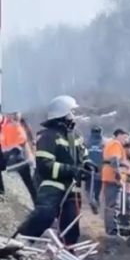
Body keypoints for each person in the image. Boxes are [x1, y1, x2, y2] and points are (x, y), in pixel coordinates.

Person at [14, 96, 92, 245]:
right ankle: (21, 242)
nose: (73, 116)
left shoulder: (76, 136)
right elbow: (44, 165)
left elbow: (83, 154)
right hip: (51, 186)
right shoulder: (48, 136)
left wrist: (88, 164)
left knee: (71, 223)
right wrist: (72, 170)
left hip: (72, 188)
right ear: (62, 114)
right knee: (44, 215)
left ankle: (68, 252)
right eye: (71, 112)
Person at [1, 113, 37, 203]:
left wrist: (30, 155)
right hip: (12, 159)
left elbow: (23, 142)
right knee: (30, 184)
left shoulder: (11, 124)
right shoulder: (10, 123)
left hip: (18, 158)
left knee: (30, 184)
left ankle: (39, 205)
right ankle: (2, 195)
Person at [101, 129, 130, 235]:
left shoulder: (111, 144)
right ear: (119, 135)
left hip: (110, 178)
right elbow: (114, 160)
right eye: (125, 137)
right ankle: (112, 230)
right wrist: (118, 175)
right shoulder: (116, 144)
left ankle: (111, 229)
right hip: (113, 179)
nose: (126, 140)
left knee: (110, 205)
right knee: (112, 206)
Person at [86, 126, 103, 210]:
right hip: (100, 169)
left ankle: (91, 199)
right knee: (97, 187)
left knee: (89, 187)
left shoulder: (87, 143)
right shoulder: (103, 143)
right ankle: (95, 199)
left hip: (88, 168)